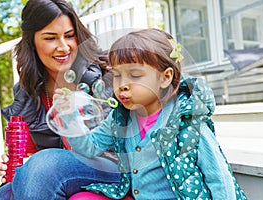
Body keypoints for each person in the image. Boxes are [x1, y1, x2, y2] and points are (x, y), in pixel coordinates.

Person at [52, 28, 247, 199]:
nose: (122, 85)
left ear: (165, 77)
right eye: (117, 75)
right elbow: (89, 148)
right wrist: (69, 115)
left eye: (135, 75)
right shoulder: (121, 118)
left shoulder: (187, 122)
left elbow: (219, 178)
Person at [0, 0, 119, 199]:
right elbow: (28, 154)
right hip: (54, 174)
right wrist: (17, 166)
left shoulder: (107, 74)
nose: (63, 47)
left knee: (43, 166)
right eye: (50, 38)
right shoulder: (26, 92)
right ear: (32, 42)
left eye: (70, 36)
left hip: (112, 166)